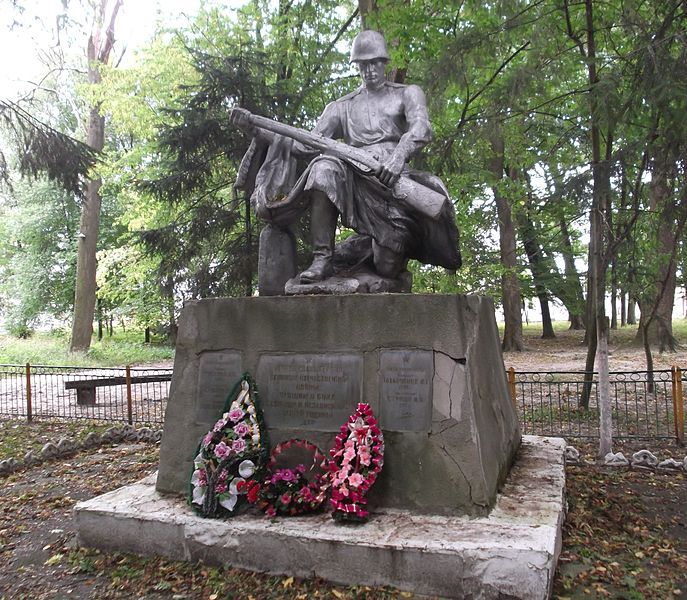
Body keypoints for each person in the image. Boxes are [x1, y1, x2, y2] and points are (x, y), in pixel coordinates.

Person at [235, 30, 460, 290]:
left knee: (387, 266)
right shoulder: (340, 107)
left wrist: (398, 157)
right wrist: (256, 130)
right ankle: (323, 259)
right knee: (322, 168)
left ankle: (364, 249)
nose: (370, 70)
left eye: (375, 62)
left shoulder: (407, 93)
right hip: (353, 179)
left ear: (384, 62)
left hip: (391, 182)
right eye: (363, 64)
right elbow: (305, 144)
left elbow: (421, 128)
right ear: (357, 67)